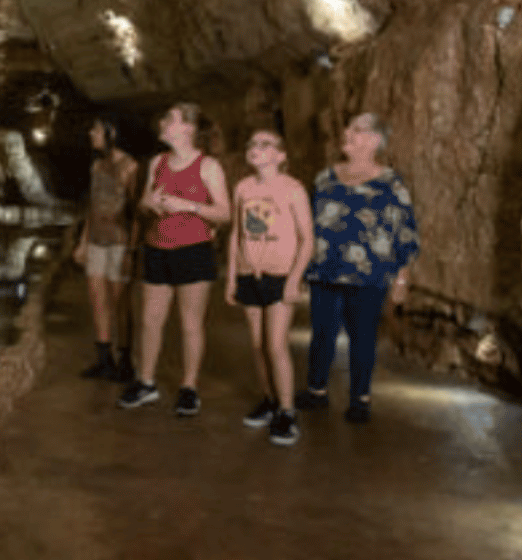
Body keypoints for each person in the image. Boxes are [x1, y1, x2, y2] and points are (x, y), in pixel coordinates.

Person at [296, 112, 421, 424]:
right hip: (325, 269)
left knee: (363, 337)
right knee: (322, 332)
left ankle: (360, 399)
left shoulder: (391, 183)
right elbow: (309, 225)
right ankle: (316, 391)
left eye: (357, 129)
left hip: (369, 274)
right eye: (348, 127)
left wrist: (402, 279)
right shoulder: (324, 177)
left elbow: (404, 231)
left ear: (375, 140)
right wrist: (299, 268)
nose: (347, 132)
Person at [118, 103, 231, 416]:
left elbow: (224, 212)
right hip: (157, 247)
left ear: (188, 129)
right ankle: (146, 382)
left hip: (193, 250)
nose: (163, 122)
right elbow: (142, 204)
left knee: (190, 323)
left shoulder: (208, 166)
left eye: (170, 118)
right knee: (150, 320)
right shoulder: (157, 162)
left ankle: (189, 387)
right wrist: (149, 202)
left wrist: (188, 206)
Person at [226, 130, 314, 445]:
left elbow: (307, 239)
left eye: (266, 145)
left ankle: (287, 411)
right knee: (257, 345)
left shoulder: (293, 189)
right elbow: (236, 234)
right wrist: (232, 277)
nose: (256, 148)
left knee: (275, 345)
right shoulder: (242, 188)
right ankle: (269, 399)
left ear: (281, 156)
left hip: (280, 275)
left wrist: (294, 279)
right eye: (251, 144)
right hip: (251, 274)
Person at [72, 117, 140, 380]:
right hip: (97, 240)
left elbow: (135, 212)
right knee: (98, 299)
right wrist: (83, 241)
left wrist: (132, 251)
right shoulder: (97, 165)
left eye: (96, 129)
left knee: (120, 301)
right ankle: (104, 359)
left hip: (119, 242)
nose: (91, 133)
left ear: (111, 132)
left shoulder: (128, 166)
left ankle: (125, 361)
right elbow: (93, 205)